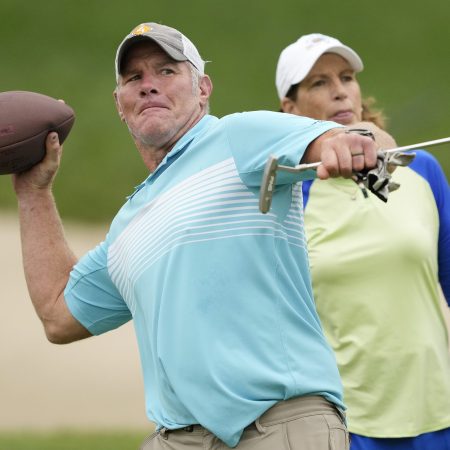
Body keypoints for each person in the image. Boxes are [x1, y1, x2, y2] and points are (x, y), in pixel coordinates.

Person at [12, 23, 383, 450]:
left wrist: (346, 143)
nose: (149, 85)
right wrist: (33, 190)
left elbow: (336, 137)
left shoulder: (239, 137)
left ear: (203, 88)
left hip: (280, 426)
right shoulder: (128, 227)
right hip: (179, 438)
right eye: (134, 78)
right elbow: (58, 315)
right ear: (120, 104)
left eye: (166, 71)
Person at [275, 33, 450, 450]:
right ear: (290, 108)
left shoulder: (421, 169)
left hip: (438, 415)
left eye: (346, 77)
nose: (340, 91)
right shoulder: (286, 197)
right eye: (319, 83)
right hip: (343, 425)